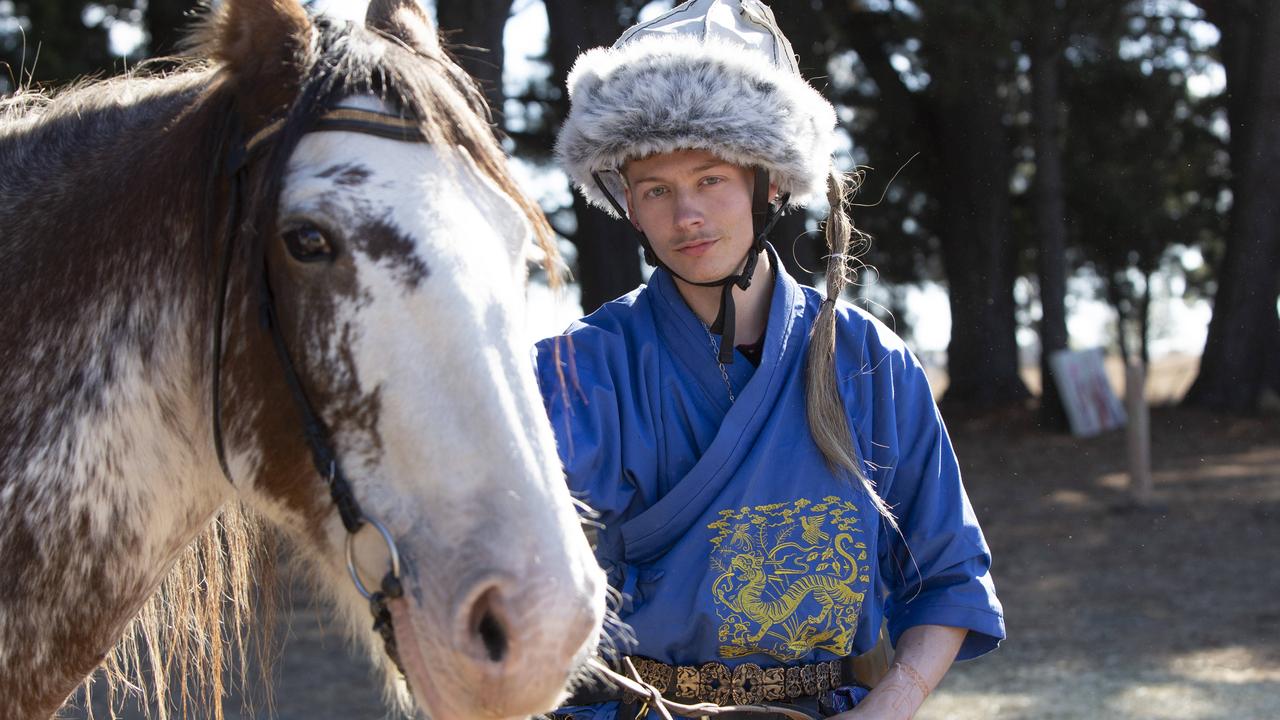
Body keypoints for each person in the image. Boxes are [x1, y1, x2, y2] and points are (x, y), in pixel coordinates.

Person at [533, 1, 1005, 718]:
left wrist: (892, 702)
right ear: (628, 207)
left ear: (770, 183)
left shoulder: (871, 363)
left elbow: (948, 576)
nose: (685, 214)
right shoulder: (574, 373)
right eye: (656, 190)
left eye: (710, 179)